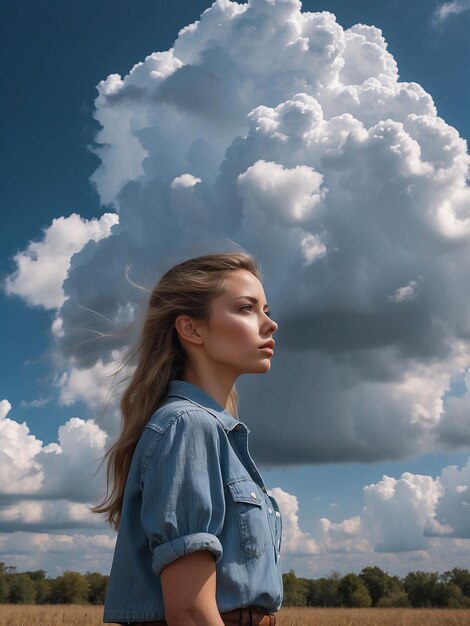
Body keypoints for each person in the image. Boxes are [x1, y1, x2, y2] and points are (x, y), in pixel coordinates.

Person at [94, 251, 283, 626]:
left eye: (266, 309)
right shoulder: (188, 426)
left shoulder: (209, 428)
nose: (271, 324)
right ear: (192, 329)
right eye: (247, 309)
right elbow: (191, 612)